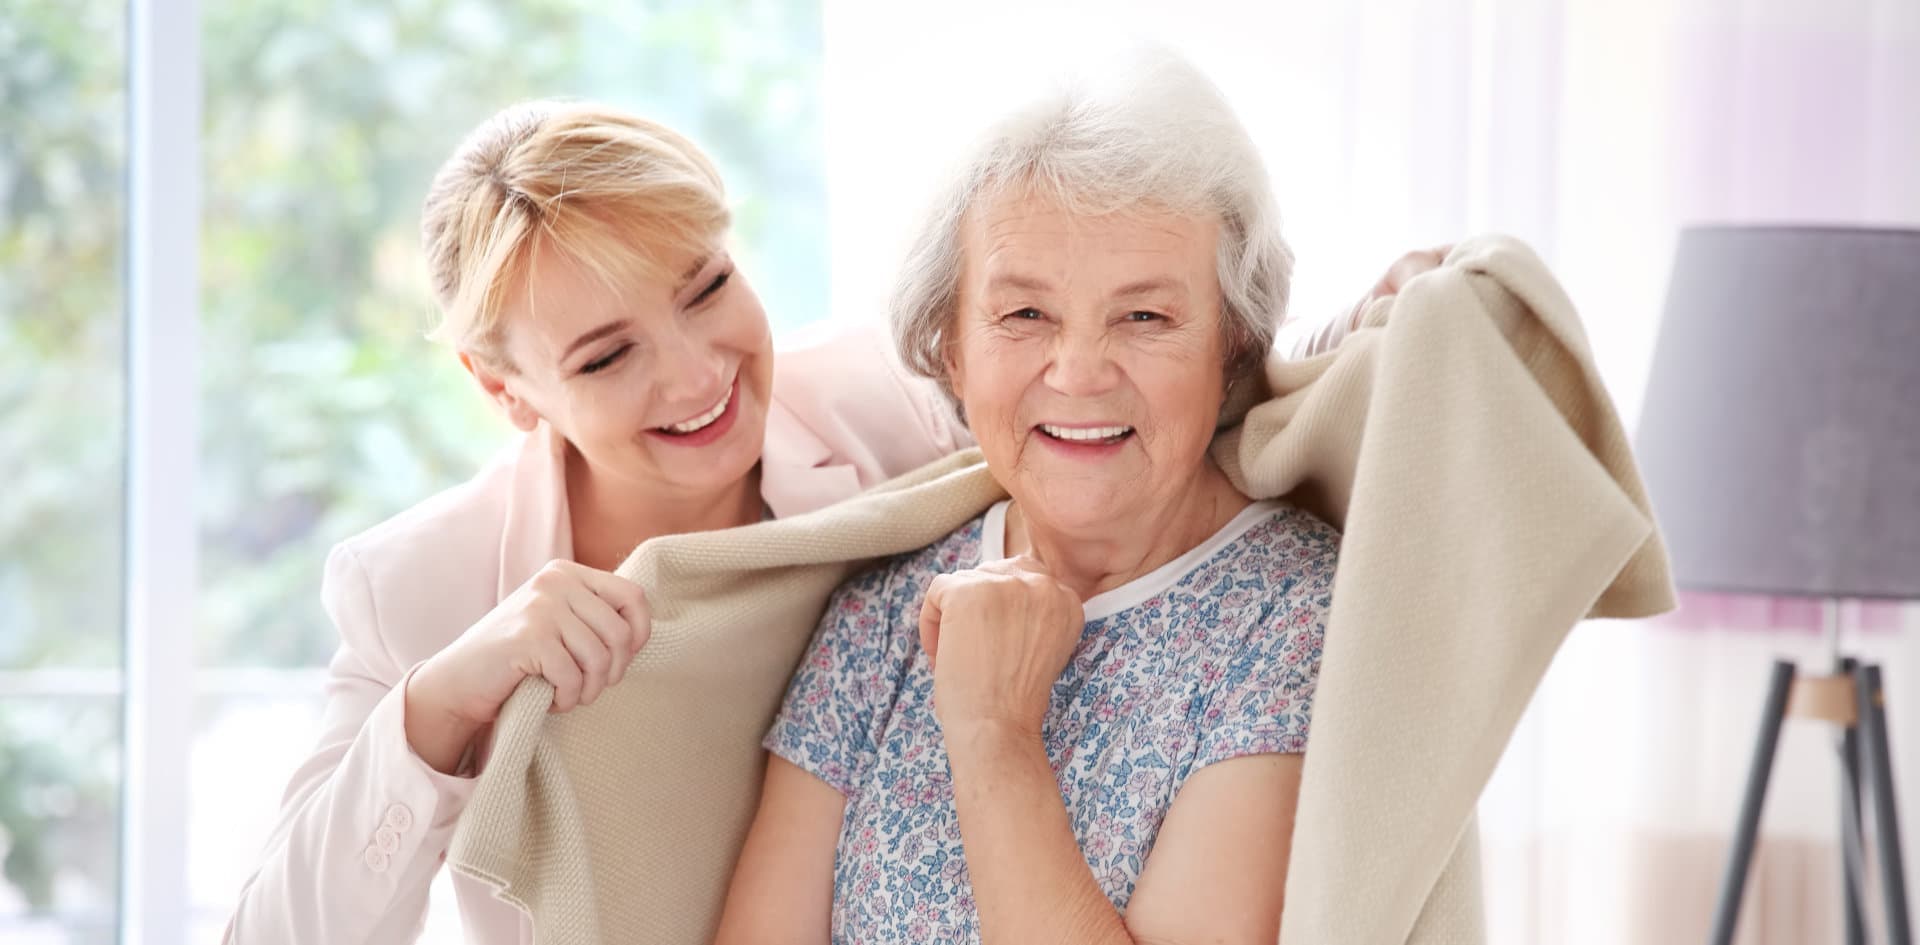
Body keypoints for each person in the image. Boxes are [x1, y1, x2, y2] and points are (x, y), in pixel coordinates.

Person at [224, 95, 1422, 943]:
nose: (698, 376)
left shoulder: (878, 403)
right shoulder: (416, 587)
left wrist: (1359, 349)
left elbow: (1101, 397)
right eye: (606, 356)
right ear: (507, 390)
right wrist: (440, 702)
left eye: (706, 288)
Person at [716, 50, 1338, 944]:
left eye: (1146, 316)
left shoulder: (1294, 617)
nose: (1079, 372)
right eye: (1024, 315)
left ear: (1232, 345)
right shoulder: (882, 607)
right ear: (952, 348)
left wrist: (995, 734)